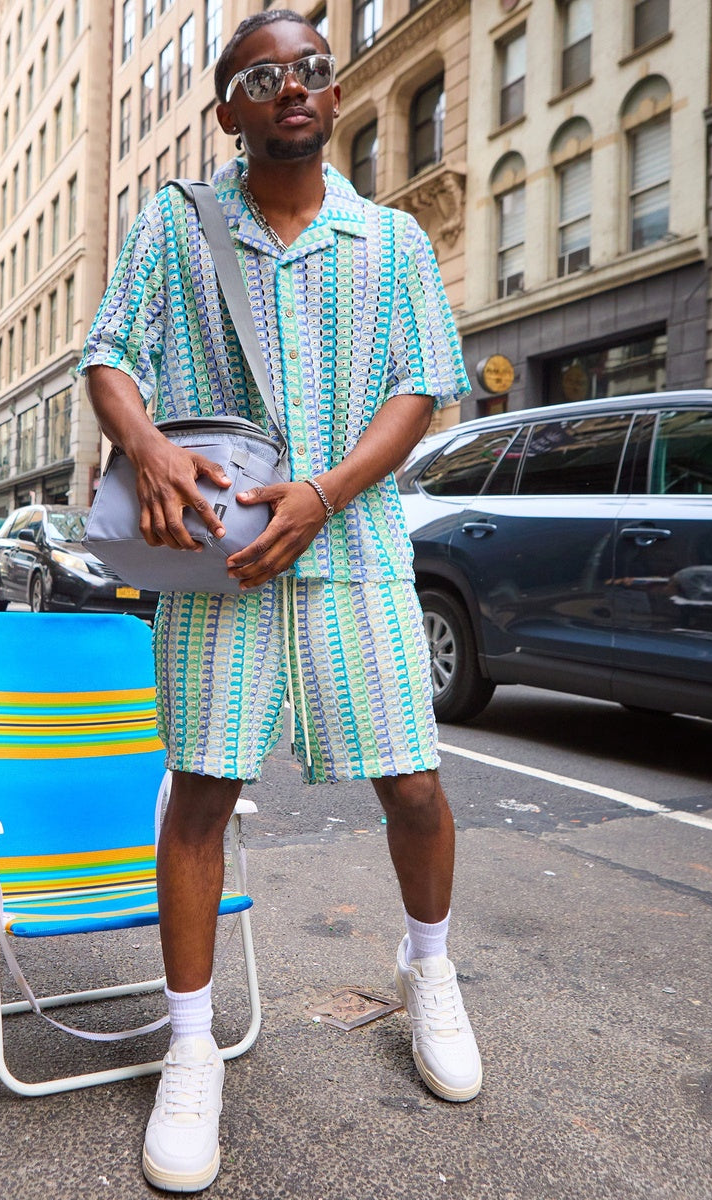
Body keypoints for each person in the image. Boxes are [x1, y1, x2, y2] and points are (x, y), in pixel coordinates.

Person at [81, 10, 481, 1192]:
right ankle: (191, 1045)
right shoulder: (175, 221)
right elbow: (106, 353)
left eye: (312, 69)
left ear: (336, 94)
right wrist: (147, 447)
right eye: (265, 76)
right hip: (218, 559)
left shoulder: (391, 241)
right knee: (199, 795)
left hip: (349, 548)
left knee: (411, 781)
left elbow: (423, 387)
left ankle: (430, 971)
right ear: (230, 112)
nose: (295, 86)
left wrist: (320, 492)